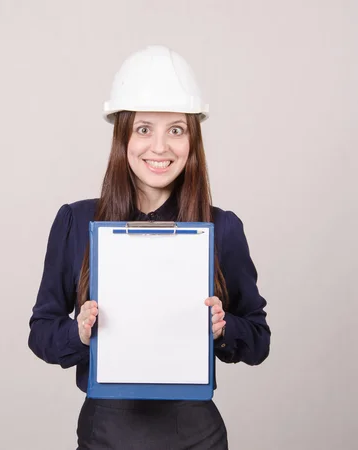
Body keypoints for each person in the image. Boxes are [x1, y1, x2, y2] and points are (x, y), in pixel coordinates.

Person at [27, 45, 270, 450]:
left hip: (196, 436)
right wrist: (80, 333)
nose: (159, 147)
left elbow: (259, 341)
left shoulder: (222, 228)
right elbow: (42, 331)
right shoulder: (76, 221)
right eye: (143, 129)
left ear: (192, 140)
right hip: (104, 434)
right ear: (122, 136)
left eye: (176, 130)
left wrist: (224, 327)